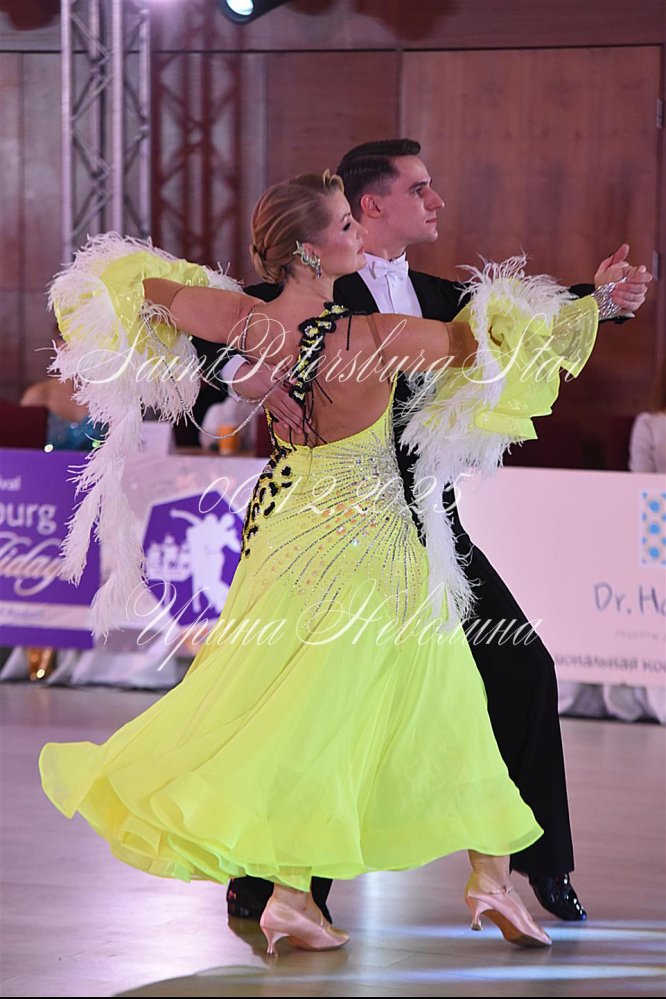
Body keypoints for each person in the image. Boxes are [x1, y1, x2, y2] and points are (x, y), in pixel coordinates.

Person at [40, 170, 607, 957]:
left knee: (303, 711)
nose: (356, 234)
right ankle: (486, 875)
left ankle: (294, 896)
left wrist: (230, 370)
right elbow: (495, 345)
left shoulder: (241, 320)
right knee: (442, 698)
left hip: (285, 536)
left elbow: (125, 288)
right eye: (345, 225)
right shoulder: (375, 337)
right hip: (375, 542)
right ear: (310, 250)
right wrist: (570, 306)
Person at [214, 139, 653, 925]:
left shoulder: (437, 295)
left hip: (430, 526)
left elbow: (519, 323)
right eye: (421, 189)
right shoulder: (308, 284)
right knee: (321, 697)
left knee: (520, 666)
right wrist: (249, 379)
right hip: (334, 532)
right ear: (372, 204)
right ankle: (274, 882)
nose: (437, 201)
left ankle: (541, 862)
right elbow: (200, 331)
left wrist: (602, 301)